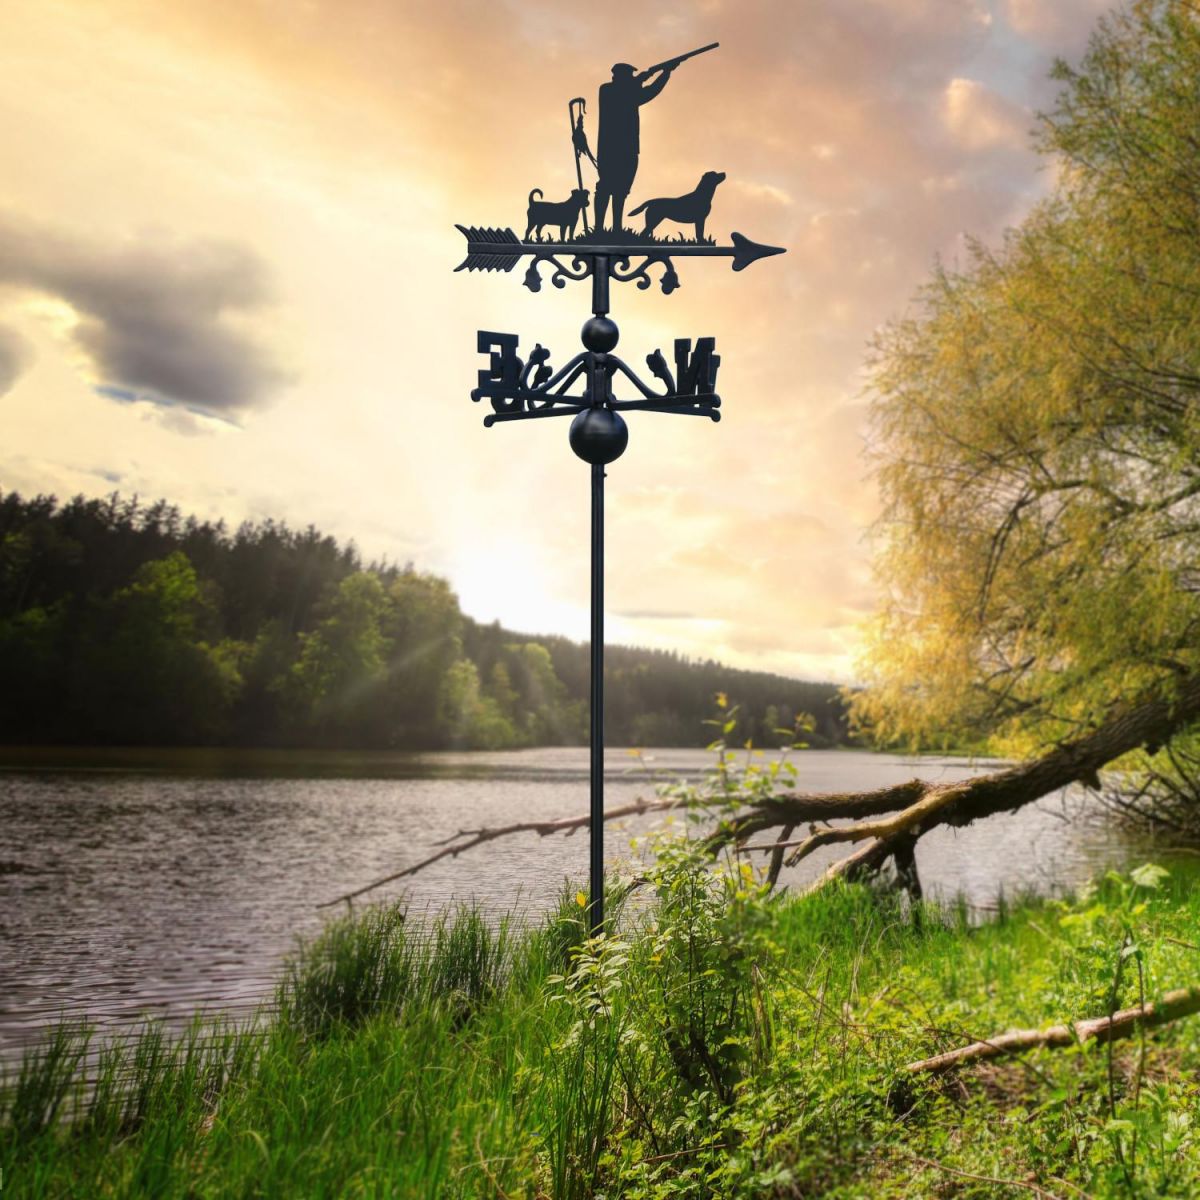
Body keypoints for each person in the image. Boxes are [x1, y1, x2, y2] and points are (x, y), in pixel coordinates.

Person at [595, 63, 672, 233]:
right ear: (621, 76)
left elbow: (644, 92)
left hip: (627, 148)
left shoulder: (627, 90)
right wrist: (659, 75)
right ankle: (599, 229)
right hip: (612, 149)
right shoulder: (607, 90)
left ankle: (616, 228)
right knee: (605, 188)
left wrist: (663, 74)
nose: (632, 78)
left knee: (621, 190)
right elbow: (642, 94)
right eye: (629, 76)